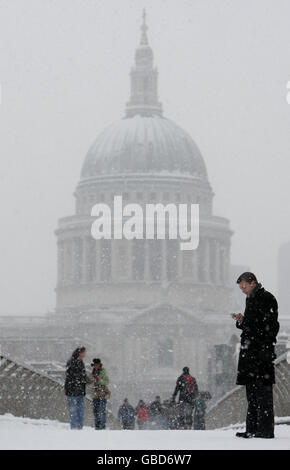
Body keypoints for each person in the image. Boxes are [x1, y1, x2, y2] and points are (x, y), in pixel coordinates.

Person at [233, 272, 279, 439]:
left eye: (244, 286)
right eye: (240, 288)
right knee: (251, 393)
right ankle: (252, 428)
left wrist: (264, 348)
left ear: (252, 283)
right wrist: (242, 321)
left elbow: (270, 326)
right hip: (251, 352)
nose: (243, 290)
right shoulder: (251, 299)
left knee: (263, 393)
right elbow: (254, 325)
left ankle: (265, 430)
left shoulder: (267, 298)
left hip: (260, 353)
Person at [64, 346, 88, 430]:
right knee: (74, 411)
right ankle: (75, 428)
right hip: (73, 390)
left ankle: (79, 427)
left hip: (79, 391)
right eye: (84, 352)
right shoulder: (72, 361)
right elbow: (72, 376)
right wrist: (83, 378)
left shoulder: (80, 362)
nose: (85, 354)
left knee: (79, 411)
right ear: (80, 353)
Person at [91, 358, 110, 430]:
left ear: (99, 365)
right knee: (96, 411)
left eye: (96, 365)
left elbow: (107, 381)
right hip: (95, 394)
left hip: (102, 394)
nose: (95, 366)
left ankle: (102, 427)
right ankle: (97, 427)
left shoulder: (103, 372)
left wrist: (98, 380)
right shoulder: (93, 372)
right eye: (94, 365)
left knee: (101, 411)